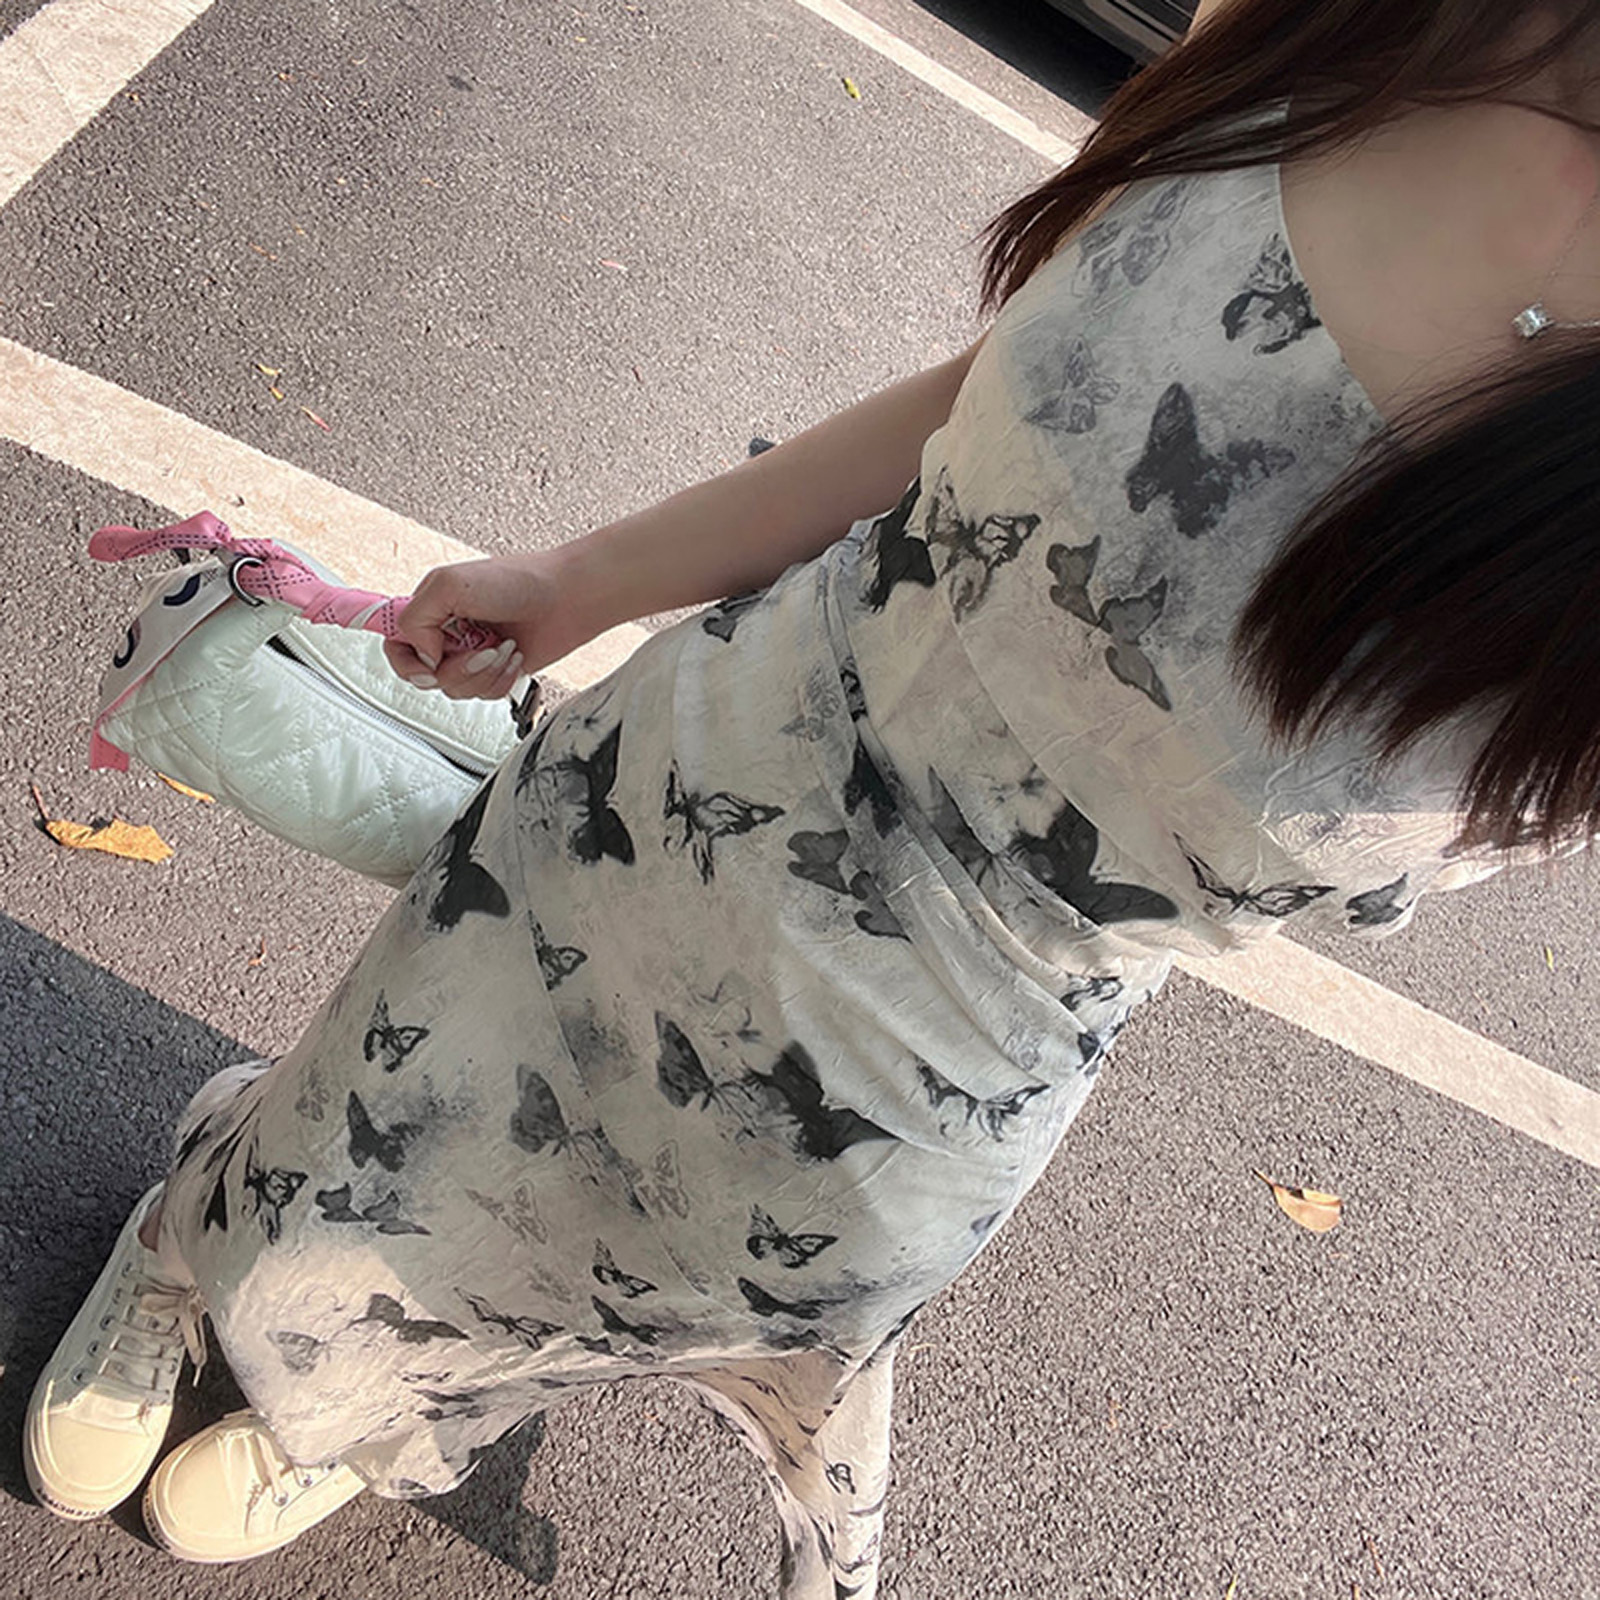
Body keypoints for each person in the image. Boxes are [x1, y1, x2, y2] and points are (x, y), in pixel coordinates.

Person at [24, 0, 1600, 1591]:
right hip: (675, 789)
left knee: (597, 1280)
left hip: (929, 1076)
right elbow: (1011, 382)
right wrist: (582, 581)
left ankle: (359, 1407)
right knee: (385, 1084)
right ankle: (191, 1242)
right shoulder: (1344, 26)